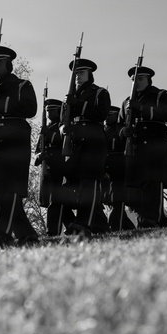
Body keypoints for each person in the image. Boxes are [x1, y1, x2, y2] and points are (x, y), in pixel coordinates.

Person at [0, 45, 39, 245]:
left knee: (11, 187)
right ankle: (27, 235)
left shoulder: (22, 85)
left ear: (8, 64)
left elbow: (30, 109)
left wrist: (0, 101)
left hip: (15, 137)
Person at [59, 58, 111, 235]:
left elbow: (101, 113)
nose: (77, 77)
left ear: (90, 74)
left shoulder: (99, 92)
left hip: (93, 139)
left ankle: (83, 224)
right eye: (75, 74)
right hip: (75, 141)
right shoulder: (69, 97)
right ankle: (98, 225)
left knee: (89, 183)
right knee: (77, 185)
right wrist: (62, 129)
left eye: (81, 73)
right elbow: (61, 122)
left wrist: (79, 104)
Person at [120, 64, 167, 228]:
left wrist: (141, 108)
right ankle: (151, 218)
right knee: (137, 184)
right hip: (135, 144)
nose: (136, 82)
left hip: (154, 141)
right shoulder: (127, 101)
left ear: (149, 80)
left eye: (140, 78)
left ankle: (152, 218)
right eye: (133, 79)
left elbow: (166, 113)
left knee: (153, 182)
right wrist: (124, 132)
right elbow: (122, 123)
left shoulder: (160, 95)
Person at [35, 98, 71, 236]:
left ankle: (52, 232)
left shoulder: (62, 126)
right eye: (47, 110)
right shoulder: (46, 128)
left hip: (58, 165)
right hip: (46, 168)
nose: (49, 113)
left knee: (55, 201)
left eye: (52, 110)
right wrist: (39, 156)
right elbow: (38, 149)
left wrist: (48, 134)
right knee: (54, 200)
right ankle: (72, 225)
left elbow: (63, 142)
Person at [103, 106, 136, 230]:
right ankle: (127, 227)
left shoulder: (119, 128)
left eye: (110, 115)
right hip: (106, 169)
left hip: (118, 168)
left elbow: (124, 133)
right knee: (112, 200)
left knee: (117, 199)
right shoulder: (104, 129)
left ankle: (115, 225)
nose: (107, 117)